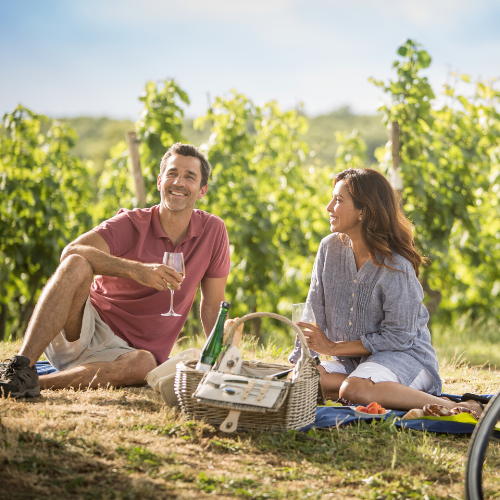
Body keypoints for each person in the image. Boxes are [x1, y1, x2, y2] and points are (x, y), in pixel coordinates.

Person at [0, 143, 230, 398]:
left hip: (128, 355)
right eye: (172, 173)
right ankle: (21, 367)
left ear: (202, 191)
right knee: (77, 262)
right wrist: (136, 270)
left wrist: (217, 361)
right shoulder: (132, 223)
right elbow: (70, 252)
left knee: (145, 365)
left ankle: (30, 385)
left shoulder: (213, 231)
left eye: (190, 177)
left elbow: (212, 307)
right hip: (84, 328)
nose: (179, 182)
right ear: (159, 181)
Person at [289, 168, 482, 415]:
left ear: (363, 211)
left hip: (404, 357)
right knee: (305, 381)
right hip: (352, 362)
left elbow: (399, 338)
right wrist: (299, 362)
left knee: (352, 391)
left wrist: (334, 348)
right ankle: (371, 387)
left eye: (338, 200)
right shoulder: (328, 249)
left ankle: (463, 407)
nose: (328, 207)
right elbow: (312, 310)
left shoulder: (396, 266)